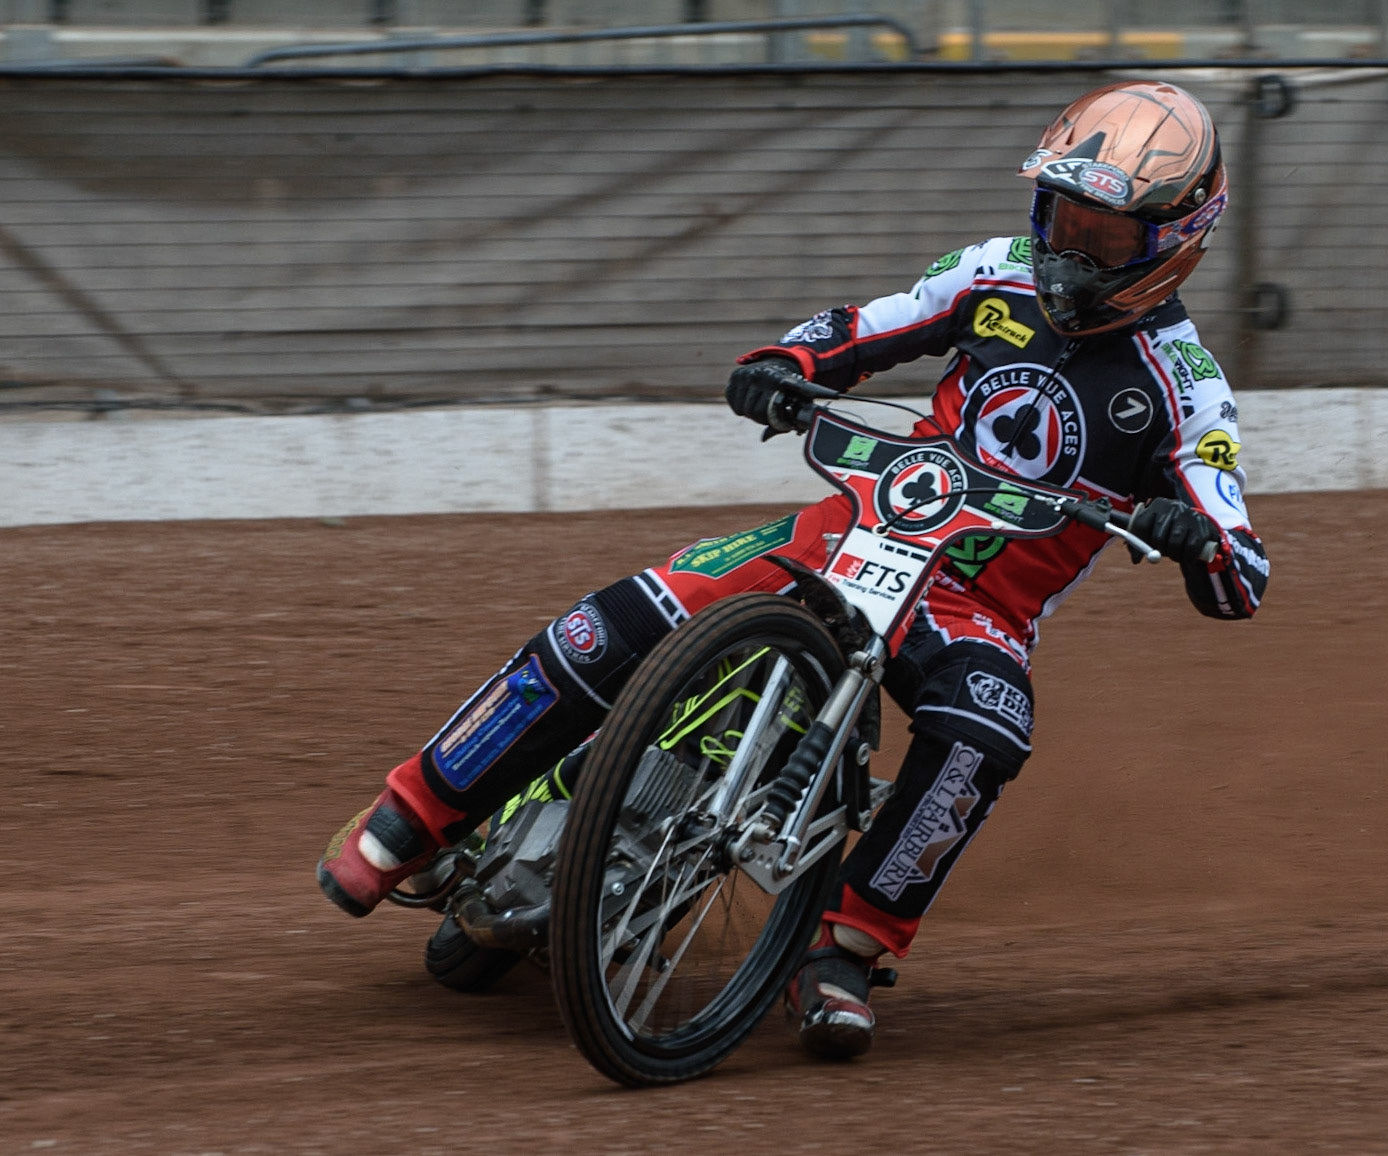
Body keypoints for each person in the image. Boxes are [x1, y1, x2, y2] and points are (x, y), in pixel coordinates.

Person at [317, 80, 1269, 1060]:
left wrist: (1197, 539)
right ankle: (416, 813)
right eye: (1064, 216)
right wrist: (786, 362)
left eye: (1105, 236)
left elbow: (1243, 562)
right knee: (615, 621)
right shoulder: (995, 275)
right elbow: (867, 323)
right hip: (849, 527)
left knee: (988, 724)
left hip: (974, 605)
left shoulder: (1187, 388)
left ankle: (850, 946)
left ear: (1174, 240)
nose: (1071, 248)